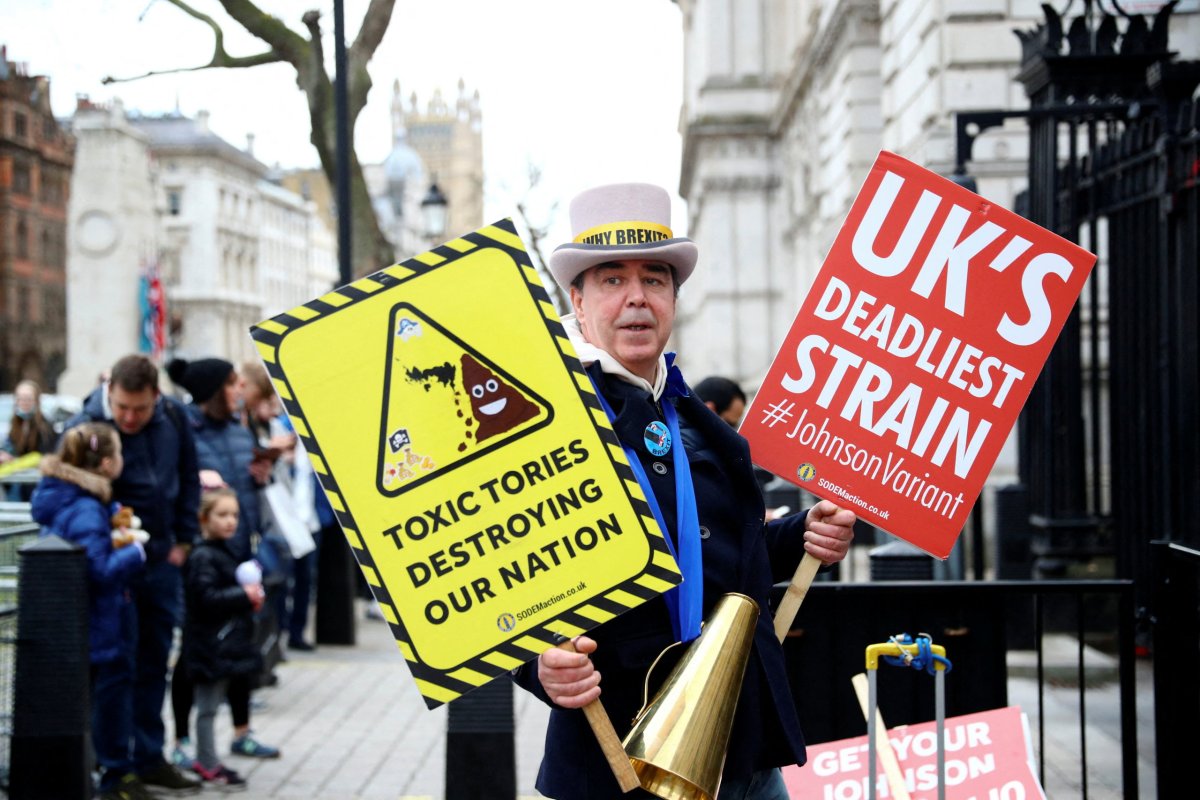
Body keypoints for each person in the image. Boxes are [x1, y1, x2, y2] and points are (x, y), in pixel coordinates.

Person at [511, 182, 857, 800]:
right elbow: (492, 576)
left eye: (655, 278)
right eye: (612, 279)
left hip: (739, 744)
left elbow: (719, 550)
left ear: (673, 298)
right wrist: (537, 668)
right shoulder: (544, 421)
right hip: (623, 760)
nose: (637, 298)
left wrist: (799, 535)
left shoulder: (688, 412)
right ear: (578, 300)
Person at [67, 354, 203, 796]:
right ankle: (114, 768)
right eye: (122, 408)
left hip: (161, 559)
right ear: (110, 394)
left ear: (156, 398)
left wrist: (183, 541)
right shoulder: (85, 425)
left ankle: (148, 757)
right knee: (114, 669)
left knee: (153, 662)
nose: (129, 418)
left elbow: (188, 479)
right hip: (112, 569)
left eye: (139, 409)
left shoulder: (173, 418)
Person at [166, 357, 281, 762]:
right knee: (193, 652)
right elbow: (176, 484)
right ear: (215, 390)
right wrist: (198, 485)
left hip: (240, 551)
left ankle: (242, 732)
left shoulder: (238, 427)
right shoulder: (184, 430)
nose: (238, 391)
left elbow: (238, 485)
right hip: (203, 556)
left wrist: (258, 474)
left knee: (241, 644)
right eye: (232, 385)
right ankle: (180, 741)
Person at [31, 423, 148, 800]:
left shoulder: (73, 498)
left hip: (87, 621)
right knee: (107, 701)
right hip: (99, 623)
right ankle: (113, 775)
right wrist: (133, 553)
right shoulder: (85, 508)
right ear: (109, 463)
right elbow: (97, 570)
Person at [180, 488, 260, 790]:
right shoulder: (203, 555)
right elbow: (206, 597)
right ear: (204, 518)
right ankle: (207, 762)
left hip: (219, 643)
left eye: (235, 515)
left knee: (212, 704)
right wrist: (243, 594)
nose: (230, 522)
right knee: (208, 706)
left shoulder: (222, 550)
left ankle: (208, 759)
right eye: (222, 515)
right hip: (208, 643)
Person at [2, 379, 56, 500]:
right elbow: (10, 446)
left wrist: (14, 461)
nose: (23, 403)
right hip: (16, 486)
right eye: (20, 398)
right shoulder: (16, 425)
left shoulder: (45, 427)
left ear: (36, 401)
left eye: (27, 398)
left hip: (36, 487)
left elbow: (42, 456)